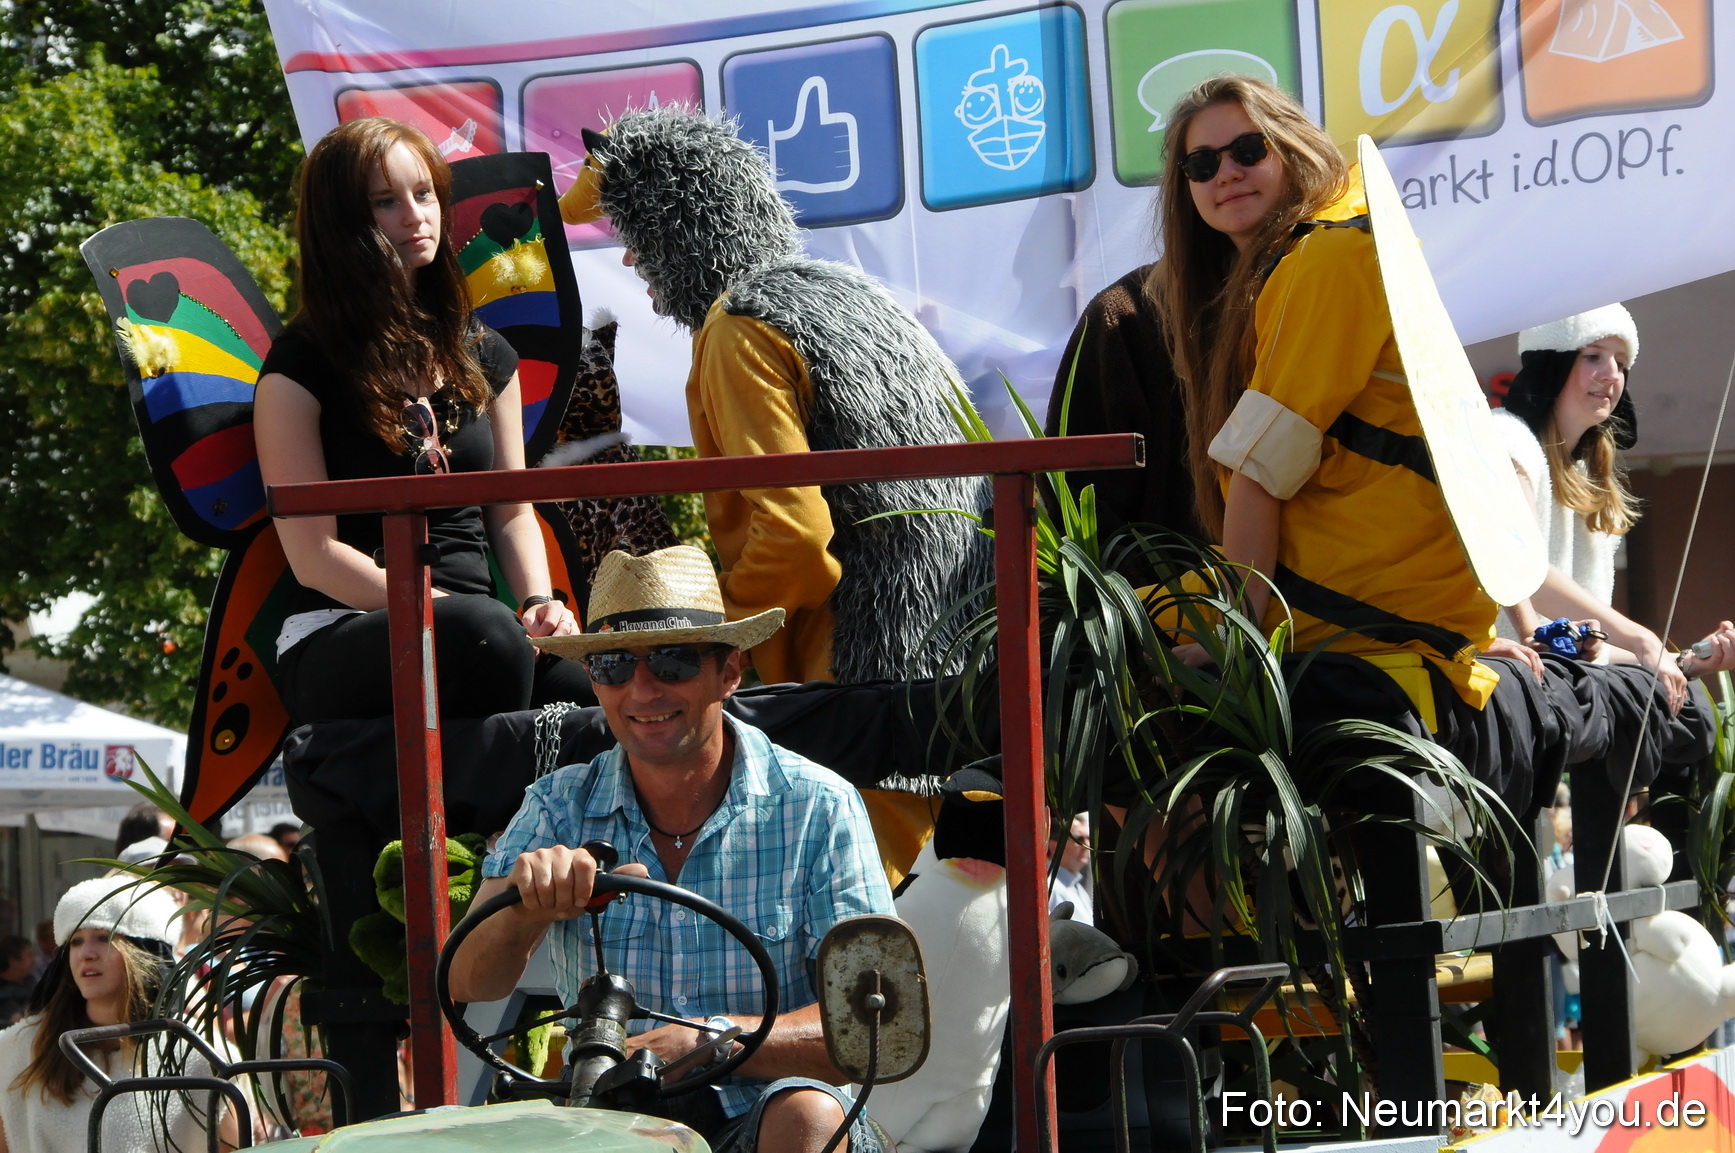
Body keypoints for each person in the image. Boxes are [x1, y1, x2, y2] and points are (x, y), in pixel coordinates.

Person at [449, 546, 895, 1153]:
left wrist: (712, 1041)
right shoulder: (556, 806)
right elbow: (469, 980)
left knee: (808, 1116)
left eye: (672, 660)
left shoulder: (819, 806)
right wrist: (528, 906)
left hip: (768, 1115)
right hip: (611, 1122)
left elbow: (875, 1026)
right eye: (611, 666)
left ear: (729, 671)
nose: (643, 688)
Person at [254, 117, 588, 725]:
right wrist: (439, 607)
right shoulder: (297, 370)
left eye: (424, 193)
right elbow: (316, 557)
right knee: (483, 634)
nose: (415, 215)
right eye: (386, 201)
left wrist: (540, 603)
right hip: (345, 628)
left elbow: (511, 509)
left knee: (599, 689)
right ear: (339, 222)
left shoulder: (488, 354)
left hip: (482, 631)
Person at [1491, 304, 1735, 703]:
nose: (1611, 375)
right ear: (1551, 364)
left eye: (1621, 363)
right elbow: (1524, 568)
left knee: (1689, 715)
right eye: (1592, 356)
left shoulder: (1589, 471)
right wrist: (1642, 638)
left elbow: (1593, 653)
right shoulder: (1506, 440)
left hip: (1547, 694)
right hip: (1490, 690)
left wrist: (1684, 662)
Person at [0, 877, 245, 1151]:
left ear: (144, 951)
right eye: (77, 941)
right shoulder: (21, 1050)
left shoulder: (199, 1055)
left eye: (104, 938)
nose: (87, 954)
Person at [0, 939, 34, 1025]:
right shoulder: (3, 994)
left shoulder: (31, 981)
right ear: (13, 961)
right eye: (29, 955)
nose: (34, 960)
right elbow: (19, 1020)